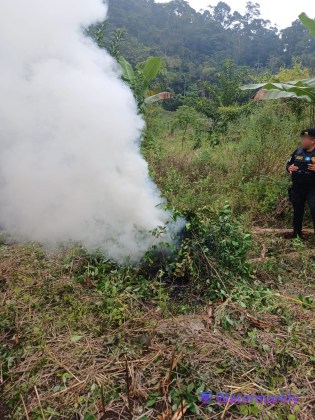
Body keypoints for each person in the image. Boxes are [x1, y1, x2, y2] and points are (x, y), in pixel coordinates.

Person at [286, 129, 315, 238]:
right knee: (297, 212)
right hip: (297, 188)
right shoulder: (297, 151)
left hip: (312, 189)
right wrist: (290, 168)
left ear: (312, 140)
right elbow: (288, 164)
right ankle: (297, 234)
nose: (302, 141)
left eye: (304, 139)